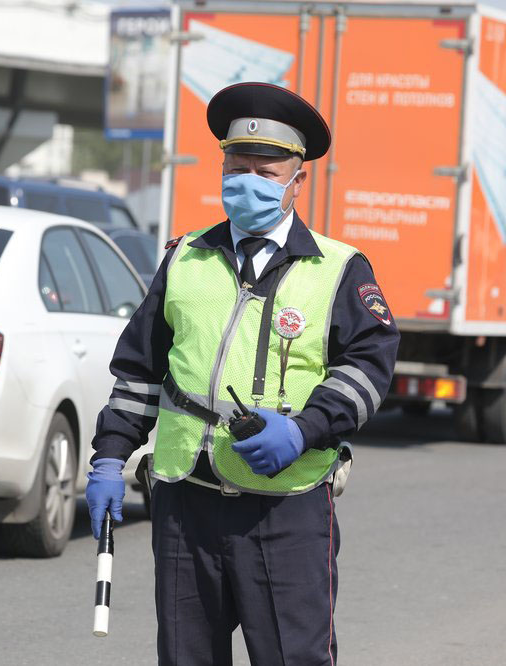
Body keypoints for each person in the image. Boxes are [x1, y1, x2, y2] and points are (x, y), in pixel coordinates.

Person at [86, 81, 400, 665]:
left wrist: (304, 431)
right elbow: (139, 370)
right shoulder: (184, 258)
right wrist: (108, 457)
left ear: (297, 181)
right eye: (237, 166)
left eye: (266, 170)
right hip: (185, 501)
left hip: (286, 507)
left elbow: (368, 369)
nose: (247, 180)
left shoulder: (337, 268)